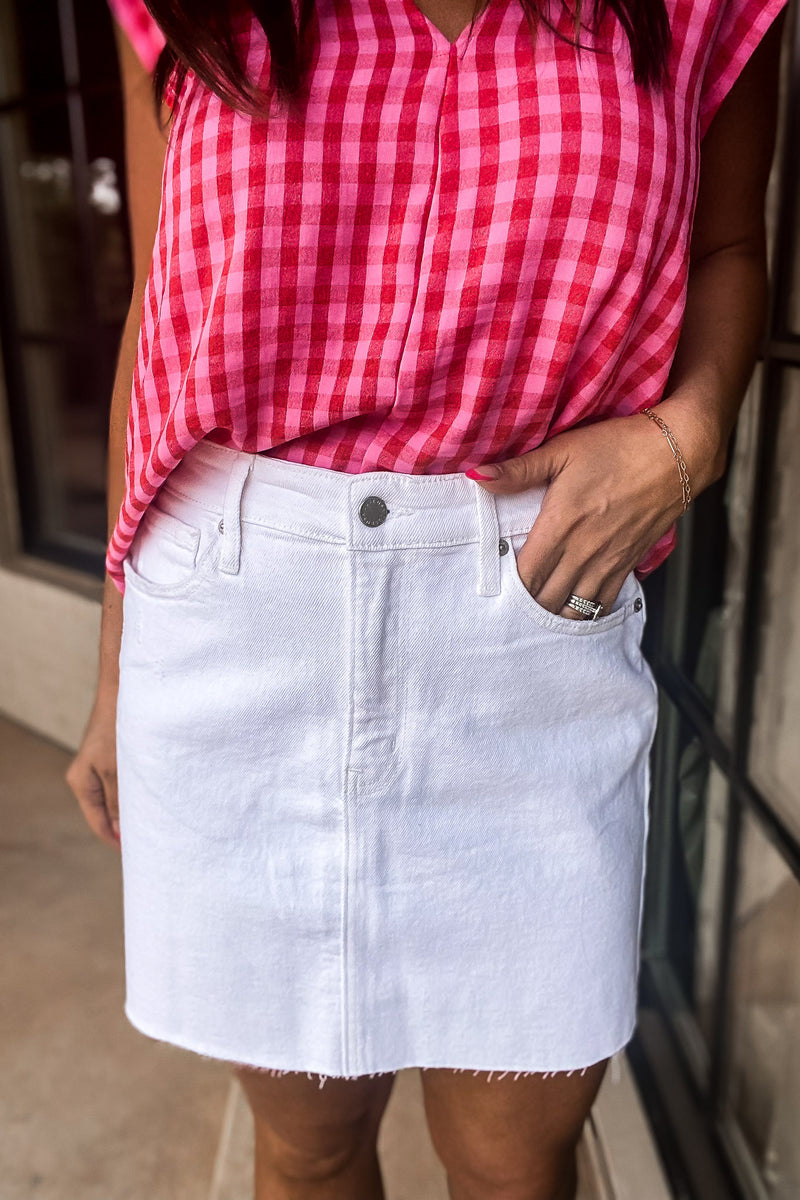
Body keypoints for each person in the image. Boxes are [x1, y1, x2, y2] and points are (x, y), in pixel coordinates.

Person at [65, 0, 786, 1196]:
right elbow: (162, 312)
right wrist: (113, 668)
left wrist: (688, 432)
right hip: (241, 615)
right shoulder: (192, 9)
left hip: (532, 606)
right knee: (309, 1144)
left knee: (518, 1158)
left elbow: (725, 249)